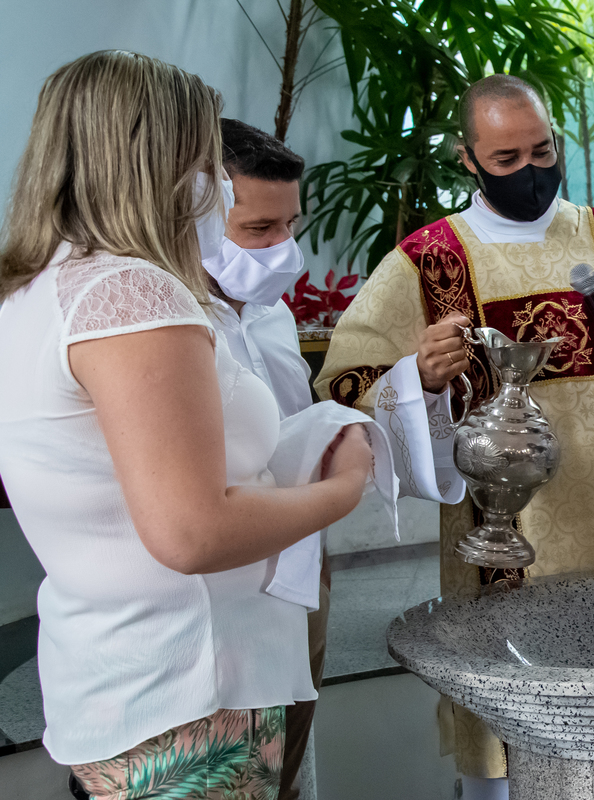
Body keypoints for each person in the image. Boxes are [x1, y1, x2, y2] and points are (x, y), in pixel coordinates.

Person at [315, 73, 594, 799]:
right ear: (467, 159)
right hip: (497, 548)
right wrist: (419, 379)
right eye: (507, 160)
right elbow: (347, 384)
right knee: (515, 745)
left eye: (543, 152)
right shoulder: (427, 261)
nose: (531, 172)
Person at [0, 51, 374, 798]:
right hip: (188, 690)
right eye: (207, 160)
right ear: (163, 163)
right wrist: (347, 484)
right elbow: (192, 531)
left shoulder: (44, 285)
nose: (215, 183)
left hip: (129, 674)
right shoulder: (132, 294)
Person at [200, 117, 319, 800]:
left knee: (290, 771)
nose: (284, 249)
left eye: (290, 225)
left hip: (298, 575)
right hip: (220, 605)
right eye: (258, 231)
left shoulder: (271, 313)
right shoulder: (169, 326)